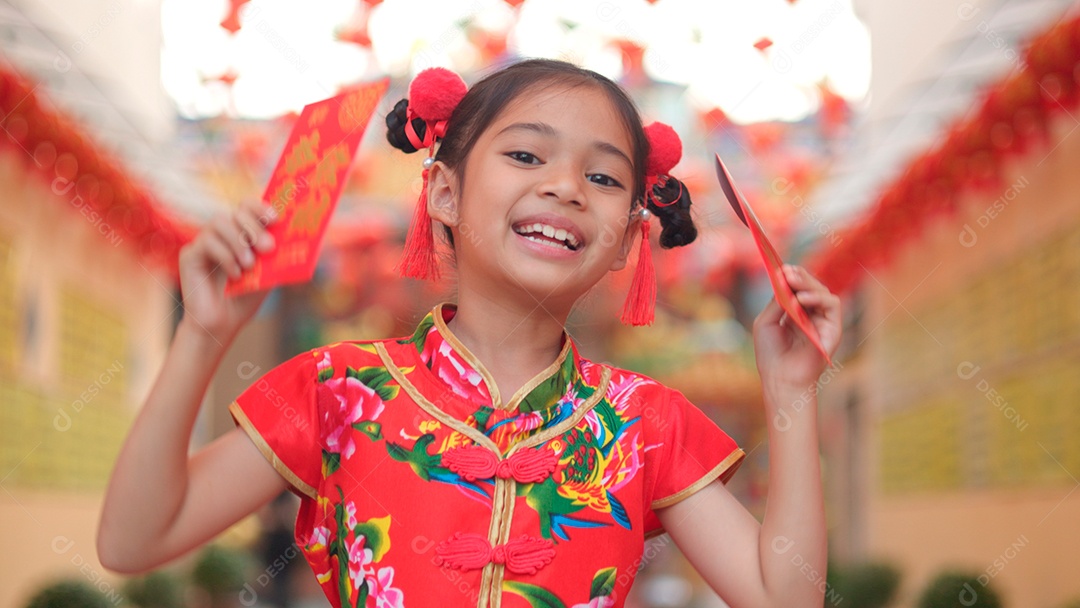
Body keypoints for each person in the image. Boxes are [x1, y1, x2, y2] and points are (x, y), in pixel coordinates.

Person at [97, 59, 841, 608]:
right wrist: (200, 335)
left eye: (605, 178)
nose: (565, 187)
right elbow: (134, 541)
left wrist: (792, 390)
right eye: (525, 155)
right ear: (444, 192)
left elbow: (789, 599)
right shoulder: (339, 390)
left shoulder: (646, 422)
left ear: (625, 243)